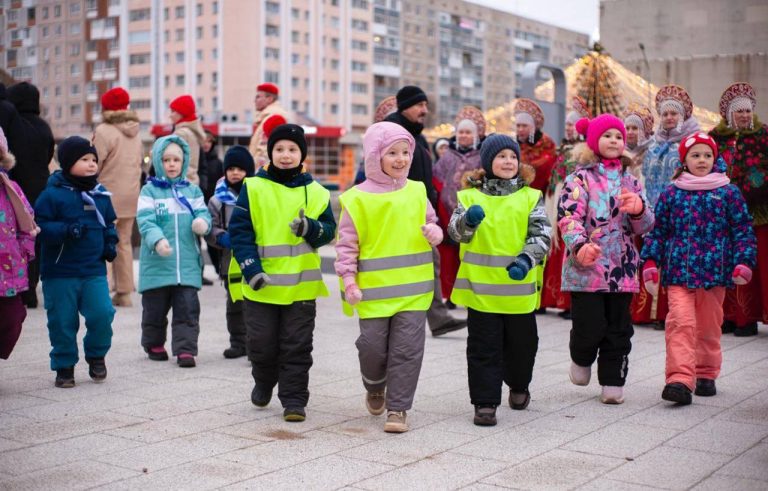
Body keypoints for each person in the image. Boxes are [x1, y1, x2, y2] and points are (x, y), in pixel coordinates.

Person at [335, 121, 443, 433]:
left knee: (407, 351)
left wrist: (434, 232)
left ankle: (398, 409)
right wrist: (349, 282)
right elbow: (346, 246)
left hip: (414, 292)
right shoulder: (356, 199)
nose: (401, 159)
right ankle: (374, 387)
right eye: (392, 152)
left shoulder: (417, 190)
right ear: (374, 157)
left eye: (405, 152)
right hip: (372, 294)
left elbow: (432, 221)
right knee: (371, 349)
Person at [229, 124, 336, 423]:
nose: (286, 155)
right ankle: (264, 380)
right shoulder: (253, 187)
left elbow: (328, 232)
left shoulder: (317, 192)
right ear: (269, 152)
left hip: (301, 287)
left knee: (297, 346)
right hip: (261, 285)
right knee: (261, 345)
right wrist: (252, 270)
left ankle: (294, 400)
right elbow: (240, 232)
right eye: (280, 149)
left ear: (302, 154)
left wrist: (310, 229)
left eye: (292, 149)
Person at [641, 132, 756, 404]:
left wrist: (743, 262)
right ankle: (679, 379)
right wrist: (650, 263)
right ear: (684, 160)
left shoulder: (728, 192)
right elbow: (658, 232)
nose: (702, 160)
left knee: (708, 325)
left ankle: (705, 372)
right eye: (695, 155)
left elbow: (742, 230)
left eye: (707, 155)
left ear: (715, 158)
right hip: (679, 271)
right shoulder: (672, 192)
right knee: (680, 323)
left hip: (714, 273)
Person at [448, 134, 550, 426]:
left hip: (519, 292)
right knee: (483, 348)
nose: (508, 161)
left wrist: (526, 260)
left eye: (513, 157)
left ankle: (519, 384)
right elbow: (456, 234)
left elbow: (542, 234)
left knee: (522, 347)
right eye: (501, 156)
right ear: (487, 162)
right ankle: (485, 402)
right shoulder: (469, 197)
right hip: (481, 292)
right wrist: (467, 221)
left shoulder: (530, 196)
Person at [558, 115, 654, 405]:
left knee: (618, 329)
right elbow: (568, 217)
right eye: (607, 135)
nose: (614, 140)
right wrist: (580, 246)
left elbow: (645, 224)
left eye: (618, 136)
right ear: (594, 141)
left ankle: (613, 380)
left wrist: (638, 210)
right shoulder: (580, 178)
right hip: (587, 269)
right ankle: (581, 356)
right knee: (589, 326)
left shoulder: (631, 181)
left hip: (622, 269)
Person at [35, 137, 118, 388]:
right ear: (68, 162)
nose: (92, 164)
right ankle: (64, 365)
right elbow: (39, 227)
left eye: (93, 159)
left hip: (92, 269)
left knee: (103, 313)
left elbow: (109, 225)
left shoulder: (100, 195)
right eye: (84, 160)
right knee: (62, 321)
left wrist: (109, 244)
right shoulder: (52, 195)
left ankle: (96, 355)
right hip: (60, 272)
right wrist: (65, 230)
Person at [385, 85, 465, 336]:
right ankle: (404, 316)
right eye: (419, 105)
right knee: (418, 264)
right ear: (405, 106)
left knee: (432, 262)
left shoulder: (417, 136)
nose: (424, 110)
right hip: (400, 211)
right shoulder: (391, 132)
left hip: (421, 210)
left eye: (425, 105)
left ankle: (438, 317)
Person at [136, 135, 212, 368]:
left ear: (184, 162)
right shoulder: (150, 191)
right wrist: (157, 241)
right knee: (155, 310)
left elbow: (204, 214)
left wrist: (202, 223)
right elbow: (146, 221)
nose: (171, 164)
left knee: (188, 308)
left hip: (187, 264)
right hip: (158, 263)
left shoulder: (193, 191)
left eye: (176, 160)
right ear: (158, 161)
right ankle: (154, 343)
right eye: (166, 159)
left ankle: (185, 350)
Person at [710, 83, 768, 337]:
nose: (744, 115)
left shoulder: (763, 135)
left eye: (747, 110)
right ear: (729, 114)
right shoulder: (716, 138)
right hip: (725, 213)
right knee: (728, 264)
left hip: (760, 212)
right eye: (739, 111)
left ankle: (752, 317)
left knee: (758, 265)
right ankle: (732, 317)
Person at [640, 85, 700, 330]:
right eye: (664, 114)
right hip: (655, 211)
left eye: (673, 113)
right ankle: (658, 313)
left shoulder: (690, 143)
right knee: (657, 259)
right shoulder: (653, 145)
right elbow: (644, 175)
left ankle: (676, 314)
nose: (668, 118)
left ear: (683, 115)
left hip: (681, 211)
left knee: (676, 260)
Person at [92, 87, 143, 308]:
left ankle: (103, 289)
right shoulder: (136, 131)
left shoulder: (103, 131)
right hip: (131, 196)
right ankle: (124, 293)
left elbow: (94, 162)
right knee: (124, 243)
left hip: (107, 195)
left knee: (102, 241)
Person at [6, 82, 55, 309]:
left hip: (17, 188)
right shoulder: (44, 127)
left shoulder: (13, 124)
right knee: (35, 239)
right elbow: (48, 155)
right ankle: (32, 289)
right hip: (42, 187)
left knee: (18, 237)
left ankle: (21, 287)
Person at [542, 96, 591, 319]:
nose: (569, 128)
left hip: (576, 212)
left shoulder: (586, 151)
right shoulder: (563, 151)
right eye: (567, 125)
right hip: (557, 209)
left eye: (573, 124)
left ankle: (572, 303)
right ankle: (558, 301)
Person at [205, 146, 256, 359]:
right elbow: (209, 228)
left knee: (254, 305)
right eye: (231, 168)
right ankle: (237, 342)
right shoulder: (217, 200)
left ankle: (254, 345)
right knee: (234, 303)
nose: (235, 172)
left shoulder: (256, 195)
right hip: (230, 260)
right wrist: (220, 237)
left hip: (255, 258)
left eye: (241, 169)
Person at [433, 106, 486, 305]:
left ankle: (473, 292)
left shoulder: (482, 156)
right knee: (450, 258)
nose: (463, 135)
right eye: (461, 132)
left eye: (468, 132)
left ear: (476, 134)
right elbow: (436, 180)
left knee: (471, 254)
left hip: (473, 214)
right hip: (447, 213)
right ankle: (451, 295)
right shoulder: (448, 156)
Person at [0, 127, 37, 360]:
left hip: (9, 269)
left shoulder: (10, 188)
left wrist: (24, 250)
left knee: (13, 319)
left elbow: (28, 222)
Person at [514, 98, 557, 193]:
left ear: (533, 127)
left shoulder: (548, 146)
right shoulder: (513, 147)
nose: (520, 129)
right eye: (518, 125)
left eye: (524, 126)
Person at [248, 83, 291, 167]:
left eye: (258, 97)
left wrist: (255, 170)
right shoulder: (268, 117)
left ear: (269, 99)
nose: (255, 100)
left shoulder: (275, 118)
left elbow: (265, 151)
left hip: (264, 174)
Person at [169, 95, 206, 187]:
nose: (170, 115)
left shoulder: (181, 133)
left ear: (182, 113)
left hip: (180, 184)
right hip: (191, 182)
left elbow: (167, 156)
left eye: (173, 111)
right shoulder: (192, 132)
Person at [622, 102, 655, 182]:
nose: (630, 132)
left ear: (643, 131)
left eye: (634, 128)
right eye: (627, 128)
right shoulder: (620, 151)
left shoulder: (652, 151)